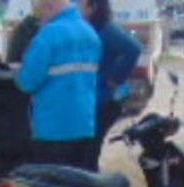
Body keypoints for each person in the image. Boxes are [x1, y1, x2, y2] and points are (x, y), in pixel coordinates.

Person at [16, 0, 100, 169]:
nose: (40, 19)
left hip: (52, 127)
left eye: (41, 13)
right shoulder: (91, 34)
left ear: (50, 7)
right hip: (84, 125)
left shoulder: (48, 35)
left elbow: (27, 82)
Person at [81, 0, 141, 172]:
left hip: (103, 100)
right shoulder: (90, 29)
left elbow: (133, 49)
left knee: (89, 152)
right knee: (86, 152)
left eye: (79, 4)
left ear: (93, 8)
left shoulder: (106, 30)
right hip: (91, 99)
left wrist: (116, 77)